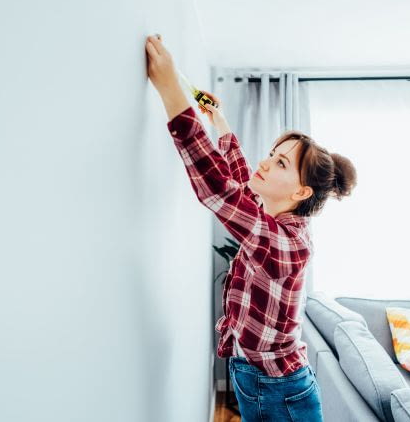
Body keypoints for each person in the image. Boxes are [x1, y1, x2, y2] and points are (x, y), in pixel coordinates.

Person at [145, 34, 356, 422]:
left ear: (301, 190)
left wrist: (171, 92)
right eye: (272, 155)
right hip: (262, 378)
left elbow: (221, 192)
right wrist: (219, 120)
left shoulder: (287, 243)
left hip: (279, 390)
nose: (266, 163)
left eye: (280, 164)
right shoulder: (274, 215)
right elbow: (243, 177)